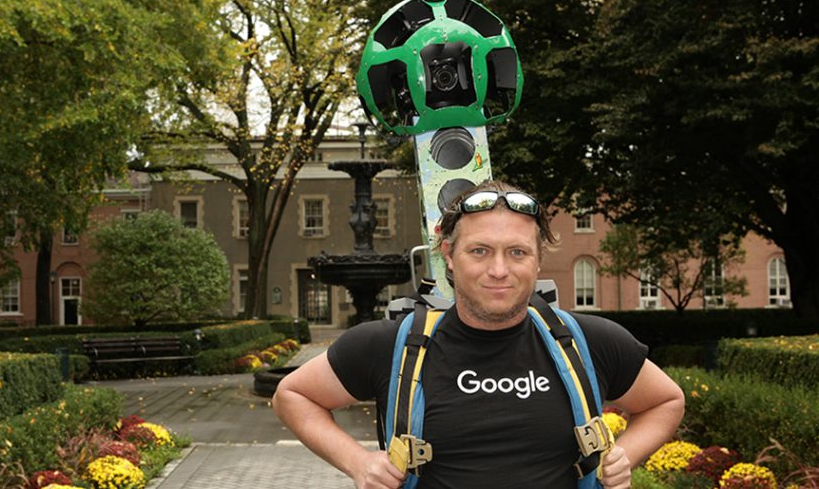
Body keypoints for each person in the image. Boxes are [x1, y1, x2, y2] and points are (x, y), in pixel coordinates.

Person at [272, 180, 685, 489]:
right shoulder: (391, 345)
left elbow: (666, 401)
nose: (499, 270)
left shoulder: (590, 341)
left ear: (538, 259)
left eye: (518, 252)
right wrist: (358, 462)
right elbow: (292, 395)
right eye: (480, 251)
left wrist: (622, 456)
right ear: (449, 256)